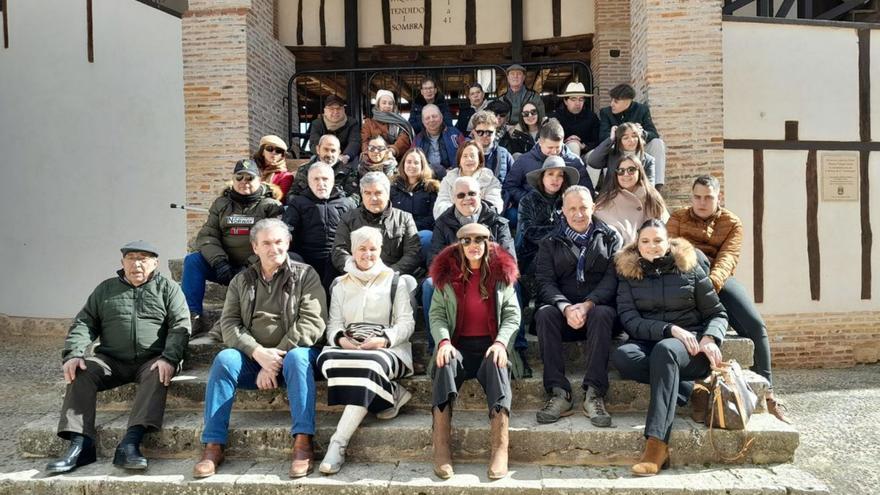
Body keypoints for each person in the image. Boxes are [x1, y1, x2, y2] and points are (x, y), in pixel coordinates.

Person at [193, 219, 327, 479]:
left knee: (298, 358)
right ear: (255, 247)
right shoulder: (241, 280)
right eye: (266, 243)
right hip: (254, 359)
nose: (273, 248)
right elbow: (229, 323)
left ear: (287, 243)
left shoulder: (305, 274)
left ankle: (302, 443)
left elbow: (313, 322)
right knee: (224, 359)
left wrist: (275, 357)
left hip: (292, 357)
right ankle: (213, 446)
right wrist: (257, 353)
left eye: (278, 241)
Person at [46, 241, 190, 474]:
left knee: (159, 372)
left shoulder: (168, 288)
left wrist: (170, 358)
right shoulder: (106, 289)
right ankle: (80, 445)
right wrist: (73, 354)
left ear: (155, 263)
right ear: (122, 263)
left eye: (143, 258)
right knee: (80, 370)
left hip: (152, 359)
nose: (137, 264)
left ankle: (130, 443)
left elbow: (181, 325)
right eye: (131, 258)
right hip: (111, 360)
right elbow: (84, 322)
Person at [666, 175, 790, 423]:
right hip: (684, 278)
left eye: (708, 197)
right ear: (691, 197)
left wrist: (709, 286)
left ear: (718, 197)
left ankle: (767, 392)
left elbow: (728, 258)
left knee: (755, 325)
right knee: (695, 254)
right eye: (697, 197)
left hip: (717, 281)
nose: (702, 202)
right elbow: (673, 250)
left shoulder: (731, 222)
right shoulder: (677, 218)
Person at [611, 219, 727, 476]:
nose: (652, 246)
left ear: (668, 243)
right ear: (637, 244)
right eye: (645, 241)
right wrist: (669, 329)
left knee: (666, 351)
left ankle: (657, 444)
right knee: (622, 356)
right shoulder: (628, 274)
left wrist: (710, 338)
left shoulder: (690, 268)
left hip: (692, 349)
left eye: (658, 240)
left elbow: (717, 313)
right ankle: (686, 386)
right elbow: (630, 321)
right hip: (651, 343)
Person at [316, 226, 416, 474]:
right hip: (350, 345)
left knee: (369, 367)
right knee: (326, 360)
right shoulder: (339, 284)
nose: (368, 254)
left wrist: (384, 339)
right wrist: (340, 340)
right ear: (352, 250)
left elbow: (406, 323)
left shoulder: (396, 281)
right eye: (362, 248)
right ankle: (392, 393)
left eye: (373, 248)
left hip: (386, 348)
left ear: (380, 250)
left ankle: (338, 443)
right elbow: (334, 324)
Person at [429, 223, 522, 480]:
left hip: (490, 345)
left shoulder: (501, 277)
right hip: (457, 347)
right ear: (459, 245)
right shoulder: (446, 277)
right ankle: (442, 447)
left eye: (479, 240)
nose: (473, 246)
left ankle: (500, 447)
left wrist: (502, 343)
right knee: (444, 363)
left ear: (487, 243)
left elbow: (513, 316)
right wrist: (444, 342)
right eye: (467, 241)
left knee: (497, 362)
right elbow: (436, 315)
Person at [533, 186, 619, 427]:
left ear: (593, 207)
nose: (578, 213)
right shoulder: (549, 242)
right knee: (544, 314)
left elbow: (612, 279)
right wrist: (565, 307)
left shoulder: (611, 237)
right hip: (564, 314)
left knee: (603, 313)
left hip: (597, 313)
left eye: (583, 207)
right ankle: (559, 392)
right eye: (572, 208)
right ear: (563, 211)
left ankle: (594, 393)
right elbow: (544, 282)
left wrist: (588, 304)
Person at [182, 159, 283, 334]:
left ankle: (236, 322)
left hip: (256, 268)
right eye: (239, 177)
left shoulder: (271, 206)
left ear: (259, 180)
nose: (244, 182)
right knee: (192, 261)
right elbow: (207, 236)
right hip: (224, 266)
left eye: (249, 178)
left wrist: (249, 266)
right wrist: (219, 262)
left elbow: (273, 241)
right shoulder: (221, 204)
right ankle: (192, 317)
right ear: (233, 180)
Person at [503, 119, 593, 228]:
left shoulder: (574, 161)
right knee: (511, 215)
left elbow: (587, 189)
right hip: (531, 207)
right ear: (540, 142)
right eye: (550, 148)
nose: (554, 152)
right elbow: (509, 185)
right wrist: (528, 199)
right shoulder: (524, 160)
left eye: (557, 147)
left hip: (563, 209)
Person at [332, 172, 423, 276]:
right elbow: (339, 251)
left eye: (378, 193)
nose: (373, 198)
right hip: (357, 277)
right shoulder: (348, 218)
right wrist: (358, 271)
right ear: (362, 195)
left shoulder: (404, 218)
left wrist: (387, 273)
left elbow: (413, 253)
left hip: (392, 277)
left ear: (387, 194)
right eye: (368, 193)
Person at [283, 163, 356, 292]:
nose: (320, 183)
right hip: (307, 259)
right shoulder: (298, 203)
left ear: (333, 180)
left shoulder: (346, 204)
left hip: (338, 259)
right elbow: (287, 233)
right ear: (308, 181)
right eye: (315, 179)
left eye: (325, 179)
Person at [517, 156, 579, 277]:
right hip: (533, 254)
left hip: (564, 252)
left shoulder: (568, 201)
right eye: (550, 174)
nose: (555, 179)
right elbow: (529, 232)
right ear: (542, 177)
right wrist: (559, 231)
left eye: (560, 175)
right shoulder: (527, 201)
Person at [598, 84, 666, 189]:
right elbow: (602, 137)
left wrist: (641, 133)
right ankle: (611, 189)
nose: (612, 104)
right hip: (618, 150)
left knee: (658, 143)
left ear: (628, 101)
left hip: (638, 149)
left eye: (616, 101)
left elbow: (653, 133)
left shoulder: (642, 109)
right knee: (610, 149)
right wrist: (620, 133)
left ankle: (657, 187)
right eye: (611, 100)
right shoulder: (605, 112)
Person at [594, 154, 668, 245]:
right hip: (621, 254)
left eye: (631, 170)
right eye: (621, 171)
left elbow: (666, 226)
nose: (625, 174)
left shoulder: (652, 196)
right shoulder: (606, 200)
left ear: (639, 171)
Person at [433, 141, 504, 219]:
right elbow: (440, 205)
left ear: (480, 160)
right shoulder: (448, 179)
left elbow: (495, 205)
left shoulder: (490, 179)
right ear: (459, 160)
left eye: (472, 156)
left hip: (482, 224)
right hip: (452, 223)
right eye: (465, 156)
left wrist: (471, 215)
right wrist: (460, 215)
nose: (469, 159)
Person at [390, 148, 440, 256]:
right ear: (403, 164)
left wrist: (410, 229)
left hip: (420, 234)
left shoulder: (432, 188)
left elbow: (432, 218)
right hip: (395, 234)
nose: (412, 166)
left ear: (422, 166)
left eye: (416, 163)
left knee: (427, 236)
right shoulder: (392, 187)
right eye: (408, 162)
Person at [587, 121, 656, 191]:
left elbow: (650, 187)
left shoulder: (648, 160)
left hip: (636, 198)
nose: (631, 140)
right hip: (611, 197)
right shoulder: (612, 155)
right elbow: (592, 161)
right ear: (619, 141)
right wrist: (611, 139)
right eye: (626, 138)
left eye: (634, 136)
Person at [289, 134, 356, 199]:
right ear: (318, 149)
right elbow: (292, 195)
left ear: (339, 152)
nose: (329, 154)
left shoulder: (348, 172)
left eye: (333, 151)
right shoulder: (305, 169)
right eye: (326, 149)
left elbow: (354, 198)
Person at [413, 103, 465, 180]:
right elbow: (413, 160)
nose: (431, 120)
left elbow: (465, 154)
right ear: (423, 122)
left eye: (434, 116)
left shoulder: (455, 134)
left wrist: (452, 170)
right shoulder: (418, 139)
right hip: (426, 178)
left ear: (441, 117)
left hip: (453, 176)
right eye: (427, 118)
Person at [551, 82, 600, 159]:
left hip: (586, 153)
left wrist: (583, 146)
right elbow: (550, 140)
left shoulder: (591, 117)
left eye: (581, 99)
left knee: (596, 156)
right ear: (565, 101)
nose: (577, 103)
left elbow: (597, 140)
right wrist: (565, 141)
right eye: (573, 99)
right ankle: (575, 170)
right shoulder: (557, 117)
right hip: (563, 155)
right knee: (573, 145)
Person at [344, 135, 398, 204]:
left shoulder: (393, 168)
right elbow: (353, 190)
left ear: (386, 150)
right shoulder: (359, 166)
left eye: (380, 148)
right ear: (367, 150)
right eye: (371, 148)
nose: (375, 151)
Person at [308, 95, 360, 165]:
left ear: (343, 110)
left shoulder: (352, 123)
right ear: (325, 111)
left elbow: (354, 142)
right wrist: (326, 154)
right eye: (331, 109)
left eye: (339, 108)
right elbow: (313, 144)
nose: (335, 112)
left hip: (344, 157)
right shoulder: (317, 124)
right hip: (323, 155)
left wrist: (346, 156)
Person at [360, 89, 413, 159]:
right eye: (384, 103)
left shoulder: (401, 123)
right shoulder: (369, 123)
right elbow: (365, 141)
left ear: (393, 106)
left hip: (395, 159)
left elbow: (404, 140)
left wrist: (393, 150)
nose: (387, 106)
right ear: (378, 105)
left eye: (390, 103)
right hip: (373, 158)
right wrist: (370, 154)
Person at [470, 110, 514, 183]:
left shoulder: (504, 154)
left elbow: (514, 182)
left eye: (489, 132)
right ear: (474, 132)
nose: (484, 135)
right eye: (480, 132)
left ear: (495, 132)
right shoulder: (464, 154)